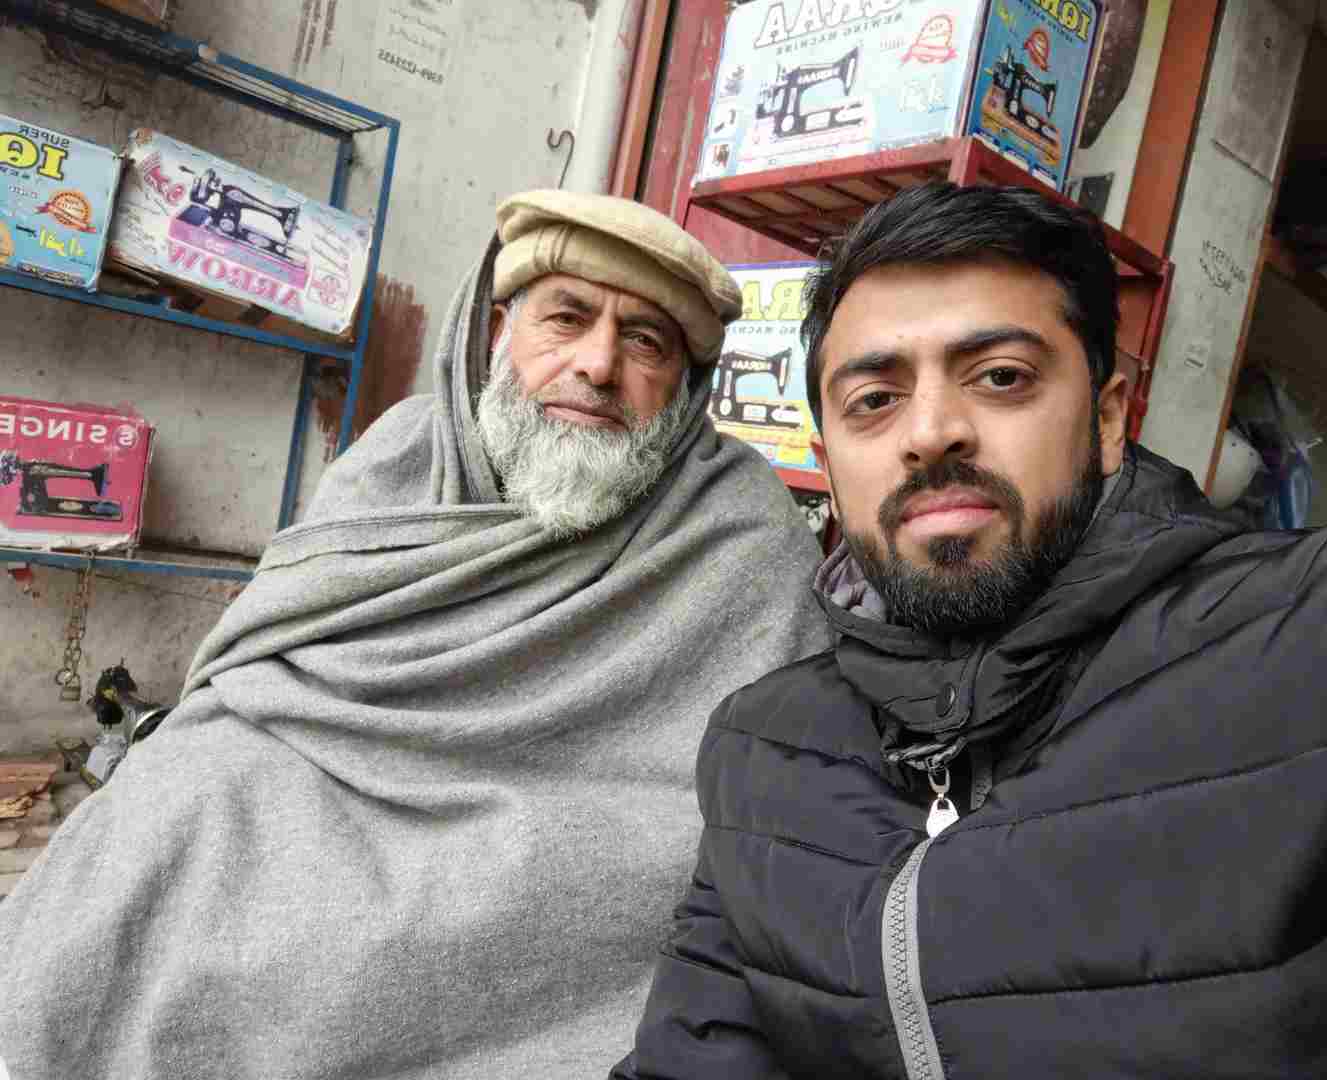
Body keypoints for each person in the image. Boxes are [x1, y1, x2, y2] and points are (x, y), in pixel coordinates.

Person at [613, 182, 1327, 1078]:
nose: (932, 432)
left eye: (1001, 377)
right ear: (830, 470)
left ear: (1109, 418)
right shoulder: (761, 749)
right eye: (875, 400)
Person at [0, 190, 831, 1079]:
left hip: (568, 851)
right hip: (324, 771)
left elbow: (771, 806)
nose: (597, 365)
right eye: (567, 318)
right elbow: (263, 664)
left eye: (645, 342)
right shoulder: (408, 448)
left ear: (685, 387)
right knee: (152, 820)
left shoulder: (738, 526)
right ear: (500, 332)